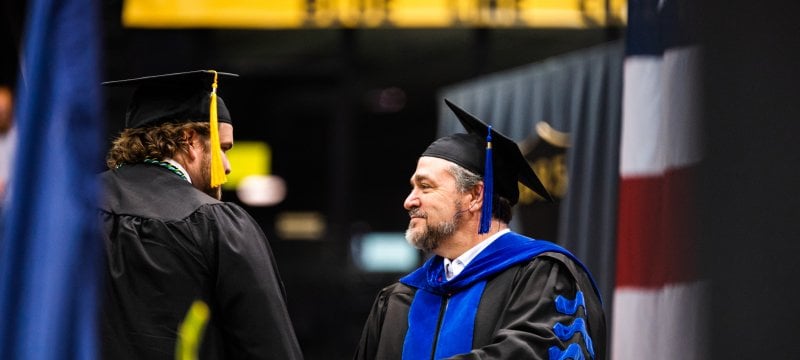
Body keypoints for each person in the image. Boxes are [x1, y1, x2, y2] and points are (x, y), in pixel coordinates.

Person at [354, 99, 606, 359]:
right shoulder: (399, 298)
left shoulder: (541, 277)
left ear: (475, 195)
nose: (409, 201)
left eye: (425, 186)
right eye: (412, 187)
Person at [99, 70, 303, 359]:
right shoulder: (214, 224)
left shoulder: (72, 212)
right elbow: (268, 349)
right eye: (222, 148)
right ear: (189, 140)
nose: (227, 165)